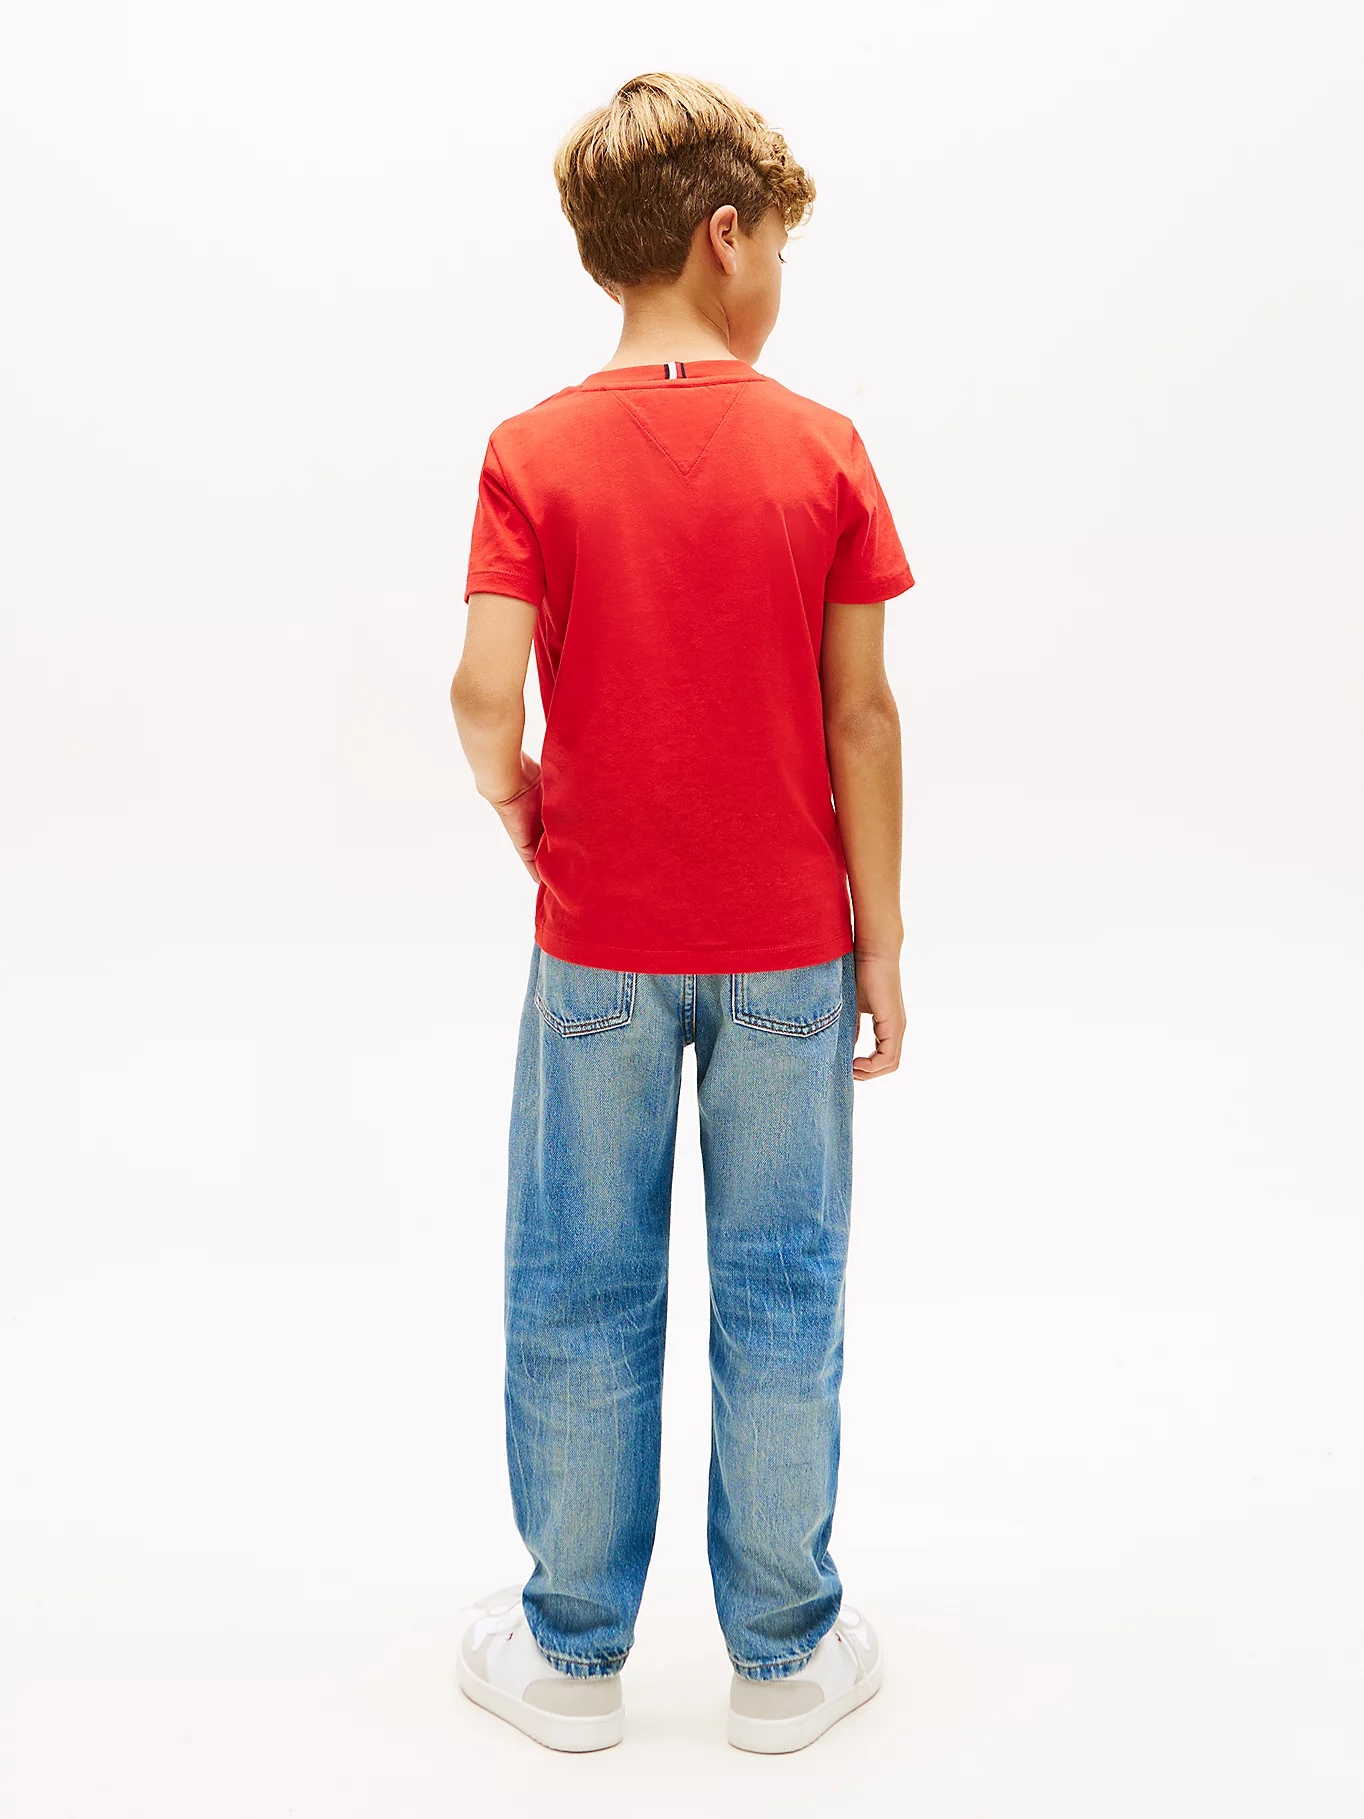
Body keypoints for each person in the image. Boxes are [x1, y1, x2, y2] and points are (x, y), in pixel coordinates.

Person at [449, 71, 913, 1755]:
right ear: (727, 237)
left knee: (582, 1286)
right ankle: (783, 1658)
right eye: (776, 245)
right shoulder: (824, 448)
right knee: (782, 1288)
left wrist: (519, 796)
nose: (776, 276)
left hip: (599, 952)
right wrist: (884, 936)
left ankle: (571, 1657)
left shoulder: (532, 451)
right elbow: (862, 718)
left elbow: (480, 690)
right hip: (791, 949)